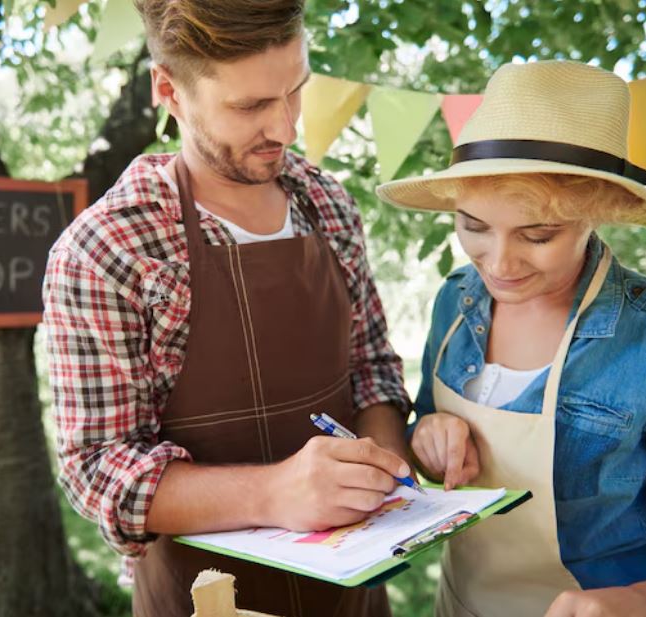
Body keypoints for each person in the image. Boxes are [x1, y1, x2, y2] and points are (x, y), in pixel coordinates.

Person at [42, 1, 412, 615]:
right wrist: (275, 493)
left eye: (296, 91)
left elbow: (372, 369)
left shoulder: (329, 205)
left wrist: (382, 465)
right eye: (249, 107)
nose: (287, 128)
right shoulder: (109, 249)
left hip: (354, 598)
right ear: (169, 90)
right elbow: (99, 471)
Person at [377, 60, 646, 617]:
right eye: (474, 226)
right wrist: (429, 434)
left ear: (596, 214)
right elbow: (428, 438)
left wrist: (644, 605)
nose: (498, 264)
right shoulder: (457, 300)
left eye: (538, 235)